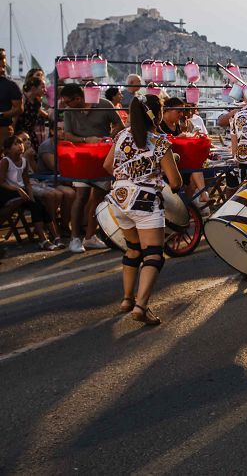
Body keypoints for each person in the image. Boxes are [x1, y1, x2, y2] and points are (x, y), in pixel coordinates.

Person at [102, 94, 184, 325]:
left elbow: (108, 165)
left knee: (133, 249)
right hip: (145, 203)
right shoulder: (159, 142)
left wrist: (127, 178)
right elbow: (176, 182)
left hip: (118, 200)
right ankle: (141, 306)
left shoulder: (120, 136)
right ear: (155, 114)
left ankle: (127, 299)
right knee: (154, 255)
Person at [60, 83, 125, 253]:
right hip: (81, 159)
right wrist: (86, 140)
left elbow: (119, 125)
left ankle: (90, 236)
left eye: (68, 101)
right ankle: (75, 238)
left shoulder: (104, 104)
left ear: (78, 98)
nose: (66, 105)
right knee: (81, 196)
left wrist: (107, 138)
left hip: (102, 156)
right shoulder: (69, 112)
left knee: (98, 197)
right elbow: (67, 135)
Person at [0, 134, 61, 250]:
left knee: (39, 204)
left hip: (22, 190)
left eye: (20, 143)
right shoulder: (5, 161)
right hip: (8, 191)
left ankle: (54, 237)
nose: (20, 146)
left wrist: (31, 194)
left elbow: (26, 181)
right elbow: (1, 182)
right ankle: (43, 239)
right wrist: (18, 189)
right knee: (36, 204)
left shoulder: (24, 161)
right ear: (7, 149)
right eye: (16, 144)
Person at [16, 76, 49, 149]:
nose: (45, 90)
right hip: (19, 134)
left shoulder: (37, 102)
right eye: (42, 87)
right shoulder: (22, 99)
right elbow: (15, 118)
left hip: (30, 135)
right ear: (33, 88)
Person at [0, 59, 23, 147]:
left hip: (3, 128)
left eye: (2, 66)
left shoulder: (10, 85)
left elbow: (19, 109)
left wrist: (2, 114)